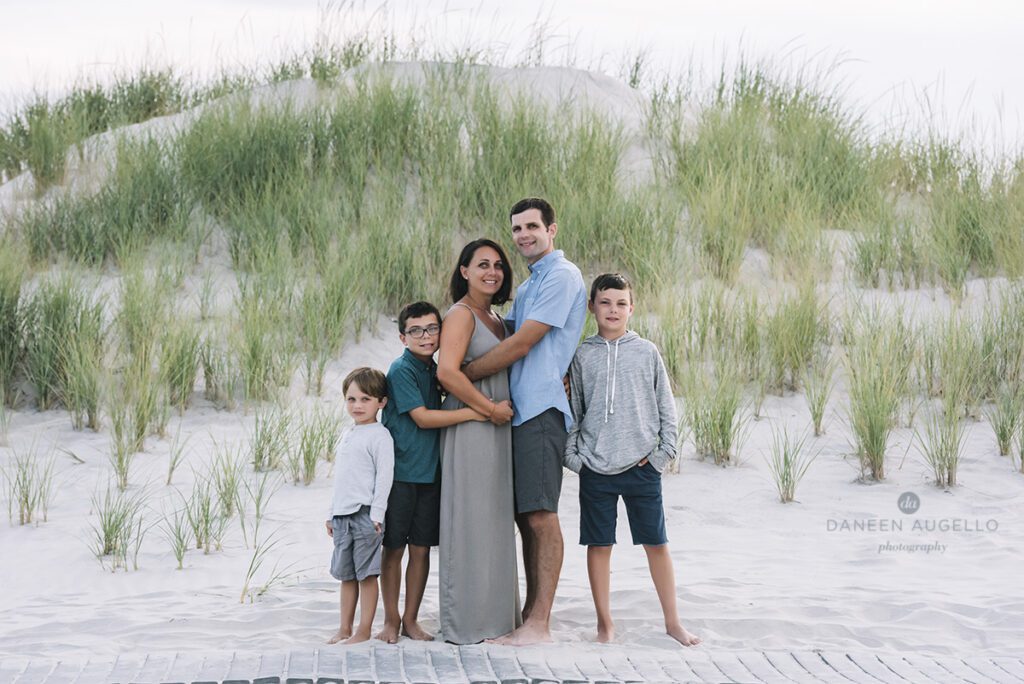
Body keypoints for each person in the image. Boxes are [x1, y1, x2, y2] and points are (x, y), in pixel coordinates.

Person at [462, 198, 587, 645]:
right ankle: (531, 615)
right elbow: (505, 332)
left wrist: (462, 375)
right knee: (524, 516)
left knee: (540, 515)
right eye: (517, 229)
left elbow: (523, 344)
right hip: (518, 411)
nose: (523, 235)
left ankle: (540, 624)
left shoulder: (562, 275)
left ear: (552, 229)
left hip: (539, 408)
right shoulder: (534, 282)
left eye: (532, 226)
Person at [563, 274, 701, 647]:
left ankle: (673, 622)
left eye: (621, 303)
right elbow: (573, 412)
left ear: (631, 308)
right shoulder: (582, 355)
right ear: (592, 306)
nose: (613, 310)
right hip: (596, 468)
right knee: (599, 545)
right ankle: (604, 624)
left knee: (656, 543)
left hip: (642, 467)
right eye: (605, 302)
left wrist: (661, 457)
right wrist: (576, 460)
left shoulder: (647, 352)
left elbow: (666, 409)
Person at [377, 301, 488, 643]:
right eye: (416, 331)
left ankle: (411, 619)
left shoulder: (436, 369)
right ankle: (391, 621)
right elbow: (423, 418)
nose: (426, 336)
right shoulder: (402, 370)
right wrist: (474, 413)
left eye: (432, 329)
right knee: (394, 548)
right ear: (402, 336)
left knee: (422, 549)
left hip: (430, 476)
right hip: (400, 475)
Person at [435, 238, 520, 644]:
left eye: (499, 265)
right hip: (472, 425)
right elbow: (447, 373)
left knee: (494, 522)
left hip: (499, 428)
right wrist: (488, 410)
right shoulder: (461, 314)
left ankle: (497, 620)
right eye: (482, 264)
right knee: (468, 520)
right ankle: (465, 622)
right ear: (464, 271)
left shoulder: (500, 321)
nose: (492, 271)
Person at [326, 367, 394, 645]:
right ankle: (344, 627)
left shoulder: (380, 436)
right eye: (351, 399)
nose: (357, 405)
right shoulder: (347, 434)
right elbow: (341, 478)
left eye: (365, 399)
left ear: (381, 402)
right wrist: (330, 514)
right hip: (342, 516)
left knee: (367, 575)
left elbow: (384, 477)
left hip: (367, 515)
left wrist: (377, 514)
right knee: (346, 575)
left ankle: (364, 629)